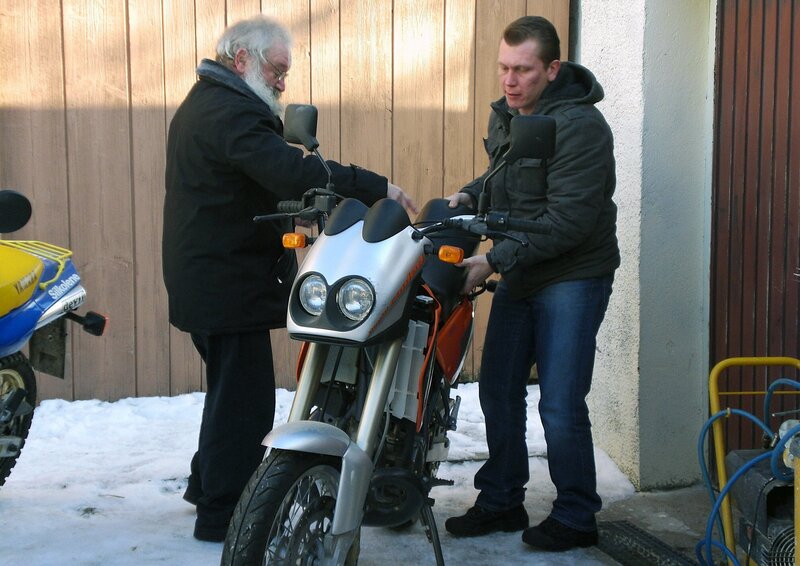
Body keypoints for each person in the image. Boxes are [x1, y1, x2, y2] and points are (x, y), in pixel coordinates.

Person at [162, 15, 415, 543]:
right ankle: (222, 514)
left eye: (285, 72)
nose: (282, 82)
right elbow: (290, 172)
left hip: (211, 277)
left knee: (228, 393)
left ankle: (205, 485)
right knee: (244, 404)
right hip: (224, 283)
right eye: (277, 70)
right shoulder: (229, 112)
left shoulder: (210, 102)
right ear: (242, 60)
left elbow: (245, 185)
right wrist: (375, 188)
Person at [444, 16, 619, 552]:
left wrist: (492, 261)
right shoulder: (510, 113)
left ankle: (576, 515)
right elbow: (508, 176)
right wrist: (471, 194)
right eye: (504, 68)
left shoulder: (581, 127)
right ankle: (502, 500)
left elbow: (567, 221)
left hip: (572, 274)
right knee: (498, 389)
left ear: (553, 69)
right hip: (524, 268)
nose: (510, 80)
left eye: (523, 70)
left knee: (560, 402)